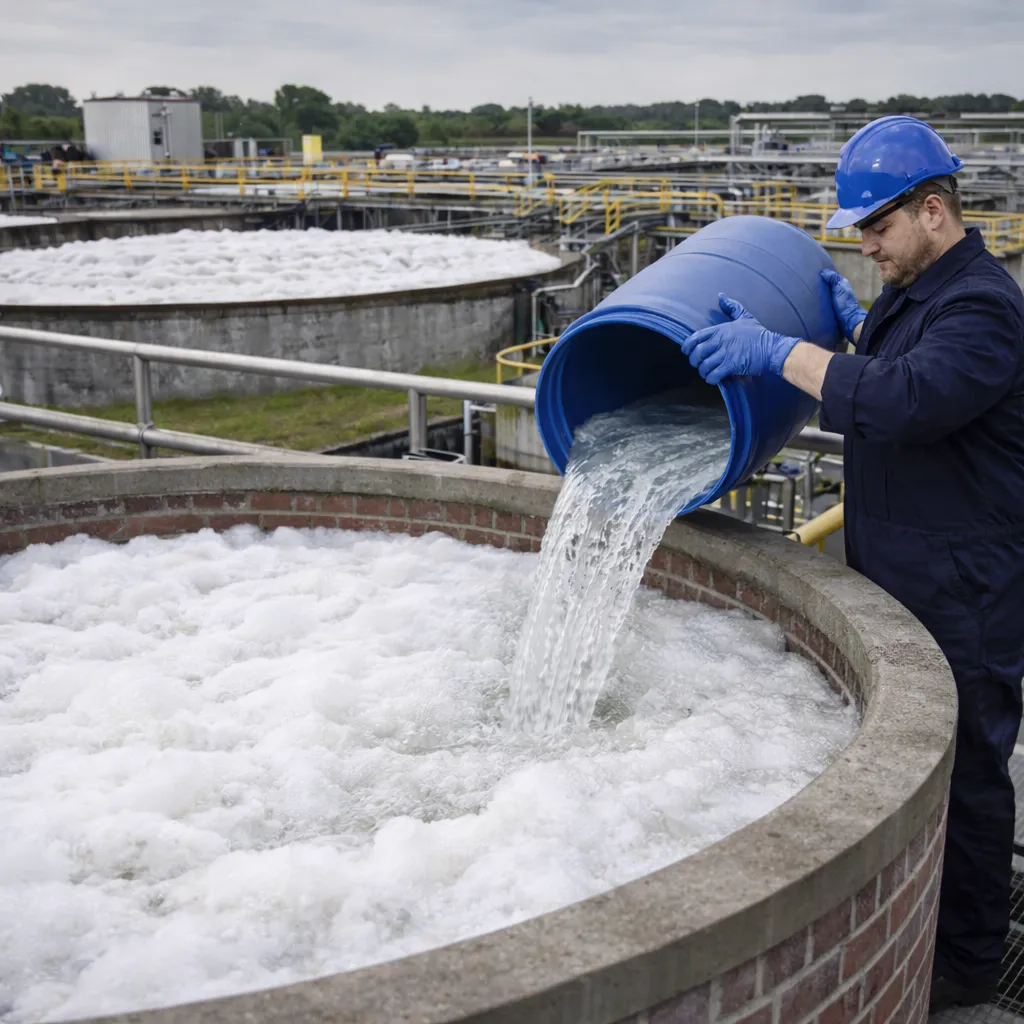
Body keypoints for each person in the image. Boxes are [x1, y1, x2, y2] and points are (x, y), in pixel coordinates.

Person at [681, 115, 1024, 1016]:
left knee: (971, 776)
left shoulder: (984, 304)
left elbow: (911, 400)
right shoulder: (923, 292)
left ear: (936, 212)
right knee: (927, 762)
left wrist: (782, 352)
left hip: (967, 589)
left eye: (877, 226)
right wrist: (860, 334)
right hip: (915, 571)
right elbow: (896, 368)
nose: (866, 243)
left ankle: (967, 971)